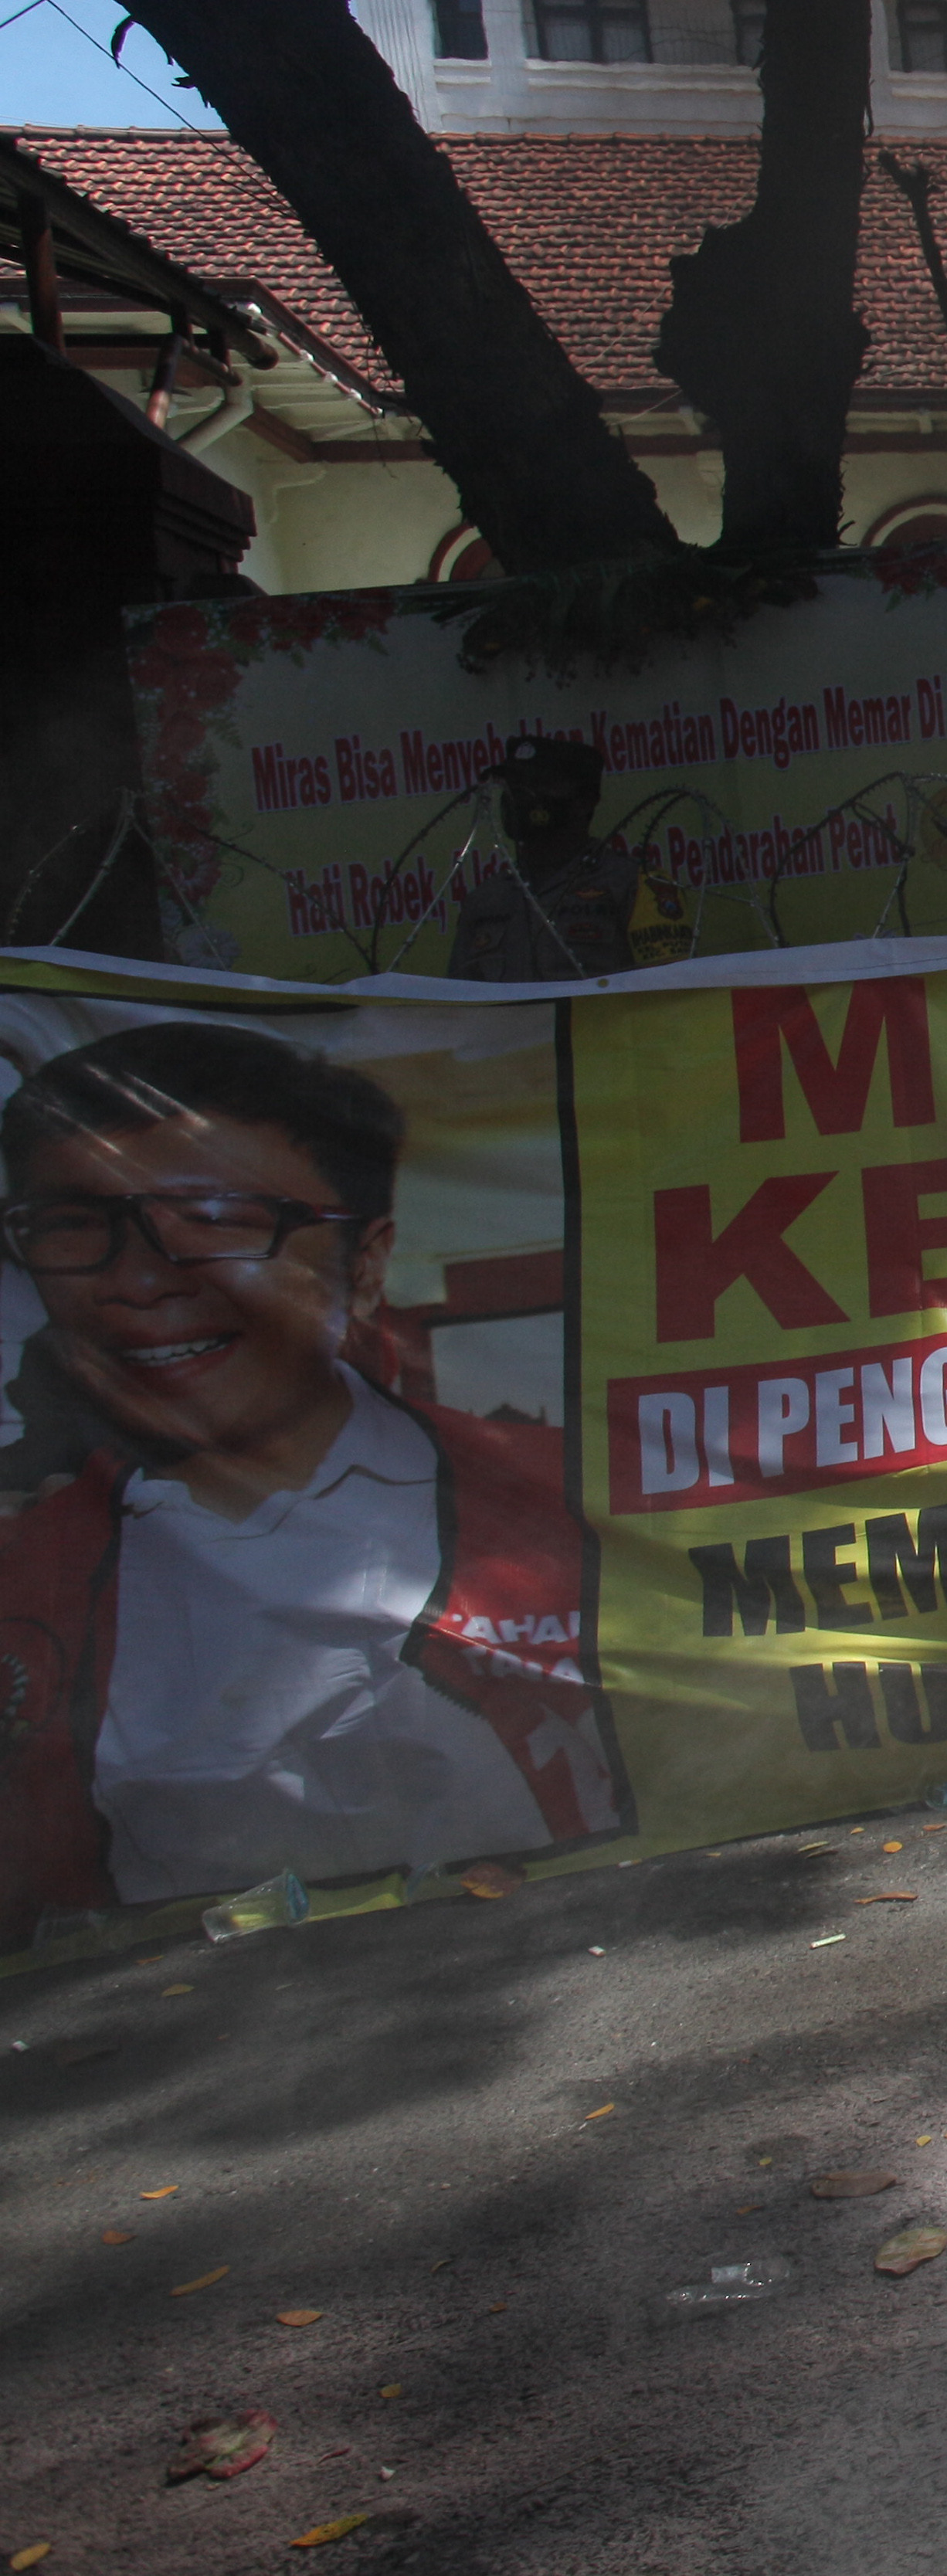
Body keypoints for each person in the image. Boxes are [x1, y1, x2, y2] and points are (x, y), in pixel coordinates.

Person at [0, 1020, 623, 1939]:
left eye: (214, 1221)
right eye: (73, 1226)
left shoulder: (582, 1500)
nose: (138, 1281)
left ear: (364, 1265)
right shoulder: (29, 1576)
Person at [445, 735, 694, 982]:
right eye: (512, 786)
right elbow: (460, 1004)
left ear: (585, 800)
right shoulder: (487, 899)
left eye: (539, 784)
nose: (521, 796)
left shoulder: (637, 886)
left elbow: (673, 995)